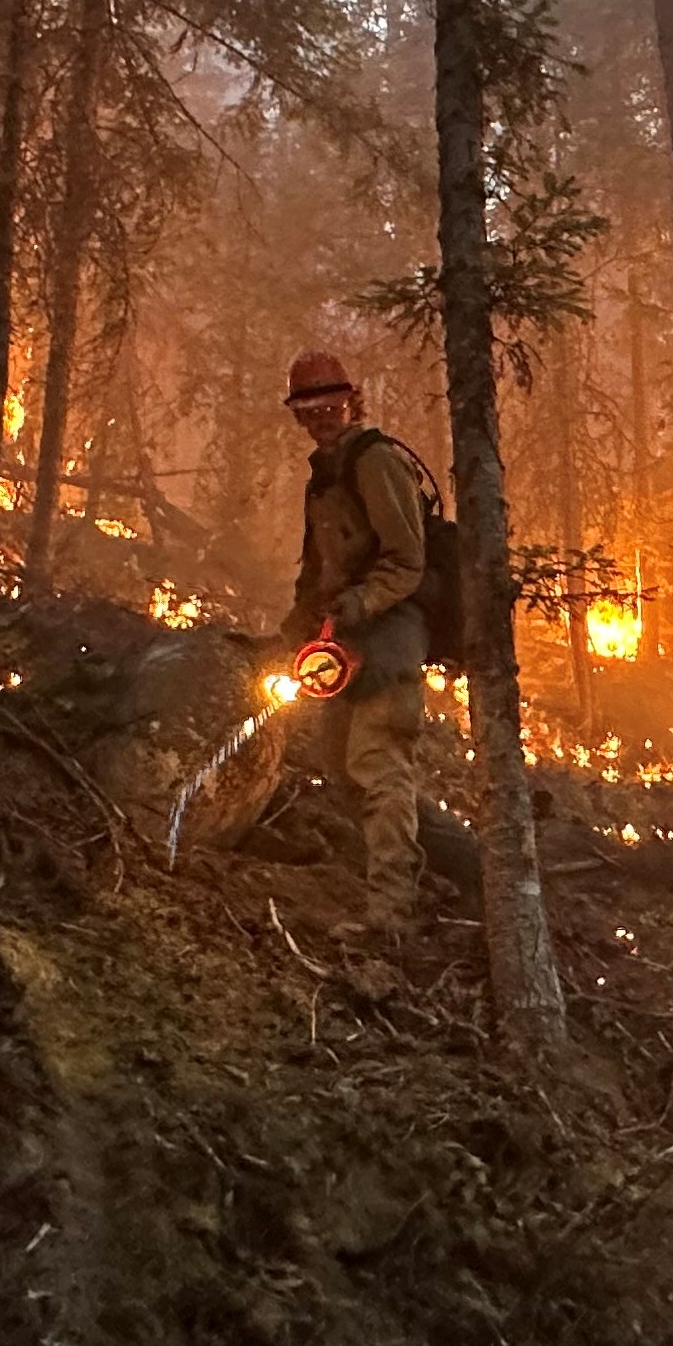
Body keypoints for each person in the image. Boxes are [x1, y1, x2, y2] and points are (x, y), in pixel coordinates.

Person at [276, 347, 437, 940]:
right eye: (307, 407)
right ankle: (422, 870)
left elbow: (408, 561)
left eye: (329, 403)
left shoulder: (375, 462)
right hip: (341, 642)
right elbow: (319, 574)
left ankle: (391, 913)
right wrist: (293, 628)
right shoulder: (324, 477)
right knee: (338, 767)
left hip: (389, 637)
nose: (319, 416)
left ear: (351, 400)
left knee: (376, 766)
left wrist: (360, 604)